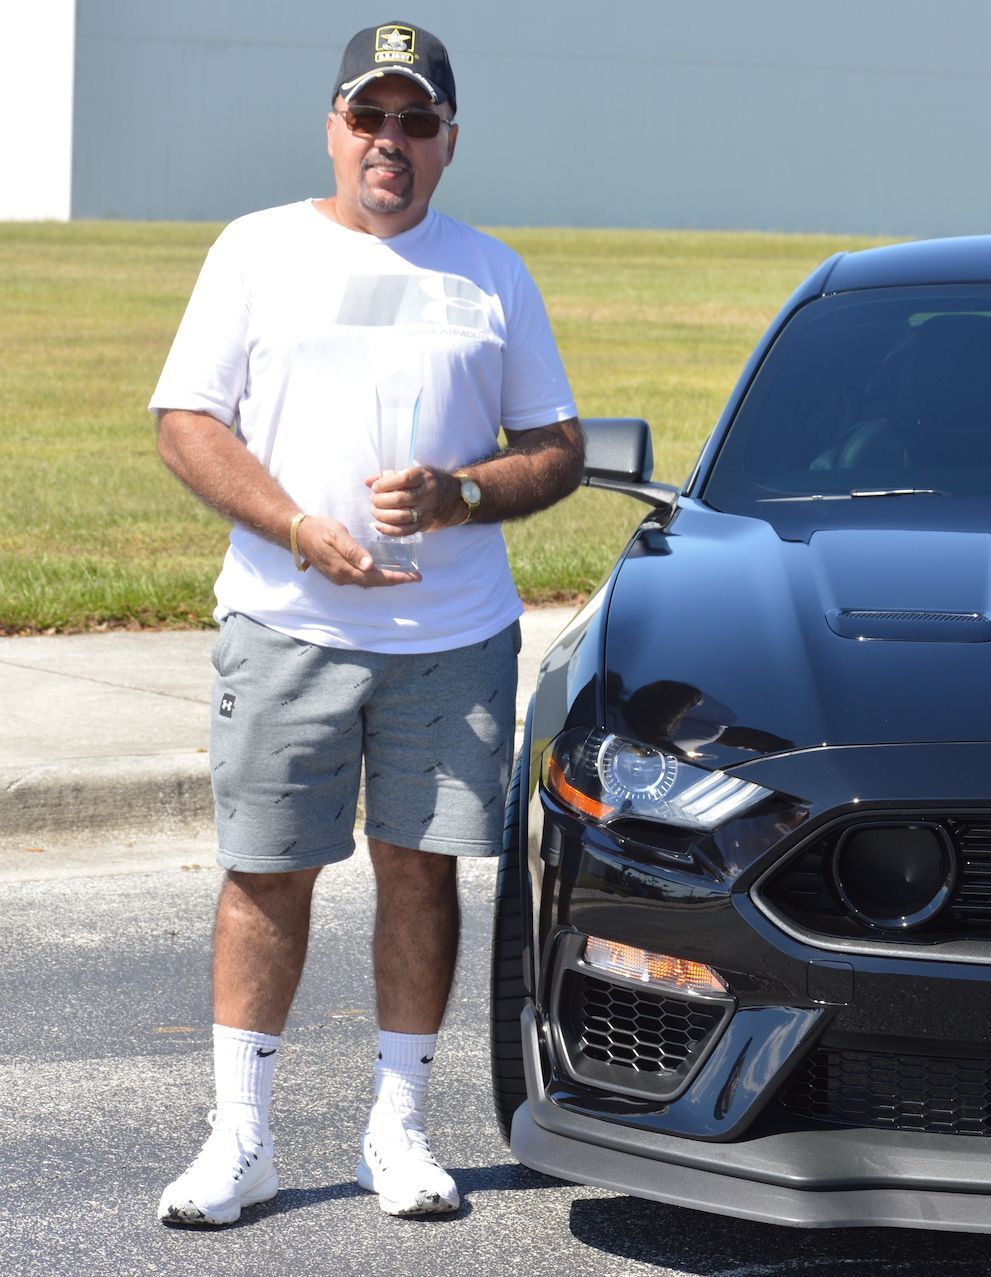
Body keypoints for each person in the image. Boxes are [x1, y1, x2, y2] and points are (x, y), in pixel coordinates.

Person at [149, 21, 585, 1225]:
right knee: (266, 870)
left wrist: (463, 494)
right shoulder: (256, 251)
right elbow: (188, 419)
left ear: (449, 141)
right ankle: (240, 1139)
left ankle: (398, 1125)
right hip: (286, 622)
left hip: (450, 637)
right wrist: (295, 525)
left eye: (415, 120)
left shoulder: (490, 272)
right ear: (333, 126)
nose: (389, 141)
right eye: (369, 115)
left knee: (420, 868)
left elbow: (556, 449)